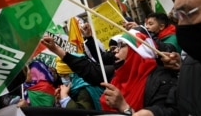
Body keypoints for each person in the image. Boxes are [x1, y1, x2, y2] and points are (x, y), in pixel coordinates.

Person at [41, 26, 178, 115]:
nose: (116, 50)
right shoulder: (117, 73)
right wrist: (57, 50)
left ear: (136, 50)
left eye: (122, 45)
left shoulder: (162, 81)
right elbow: (90, 70)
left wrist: (124, 107)